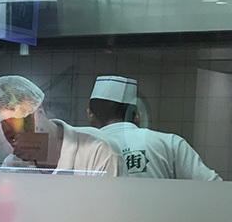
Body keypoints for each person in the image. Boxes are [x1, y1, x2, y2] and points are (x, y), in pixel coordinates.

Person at [0, 75, 122, 176]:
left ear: (39, 113)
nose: (11, 149)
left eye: (14, 135)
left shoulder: (97, 151)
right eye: (0, 142)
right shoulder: (13, 165)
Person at [87, 75, 220, 180]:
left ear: (90, 115)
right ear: (137, 116)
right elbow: (214, 187)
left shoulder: (84, 148)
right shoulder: (170, 144)